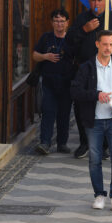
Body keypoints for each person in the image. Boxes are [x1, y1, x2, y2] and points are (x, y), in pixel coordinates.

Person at [70, 30, 112, 211]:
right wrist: (96, 95)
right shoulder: (87, 67)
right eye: (105, 44)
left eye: (111, 44)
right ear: (97, 44)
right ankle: (99, 194)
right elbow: (75, 91)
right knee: (95, 159)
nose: (108, 48)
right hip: (95, 120)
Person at [68, 0, 112, 159]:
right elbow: (70, 41)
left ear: (106, 2)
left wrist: (110, 45)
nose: (96, 4)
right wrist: (84, 30)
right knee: (83, 106)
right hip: (86, 68)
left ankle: (103, 146)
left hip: (107, 68)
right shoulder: (82, 18)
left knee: (107, 105)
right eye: (93, 1)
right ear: (89, 1)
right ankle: (84, 142)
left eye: (100, 1)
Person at [33, 9, 75, 155]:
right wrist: (45, 56)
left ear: (67, 23)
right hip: (49, 81)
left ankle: (62, 143)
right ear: (52, 23)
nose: (59, 24)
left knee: (64, 114)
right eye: (56, 21)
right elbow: (35, 55)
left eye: (62, 21)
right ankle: (45, 142)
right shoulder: (46, 38)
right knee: (48, 112)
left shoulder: (71, 39)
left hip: (66, 82)